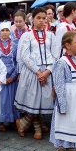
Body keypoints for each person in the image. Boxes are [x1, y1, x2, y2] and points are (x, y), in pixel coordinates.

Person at [14, 7, 58, 139]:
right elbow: (24, 56)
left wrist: (47, 71)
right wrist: (39, 73)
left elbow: (55, 55)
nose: (42, 20)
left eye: (44, 18)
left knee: (43, 99)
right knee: (33, 99)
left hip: (47, 71)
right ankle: (34, 126)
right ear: (32, 19)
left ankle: (29, 123)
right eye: (39, 18)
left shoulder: (51, 35)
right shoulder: (27, 35)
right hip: (33, 71)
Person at [0, 22, 19, 131]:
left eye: (7, 30)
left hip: (12, 78)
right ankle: (1, 121)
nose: (5, 32)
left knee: (13, 99)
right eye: (2, 30)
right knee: (2, 100)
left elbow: (18, 61)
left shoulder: (16, 44)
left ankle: (13, 120)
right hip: (1, 78)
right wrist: (2, 78)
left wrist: (12, 76)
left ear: (10, 31)